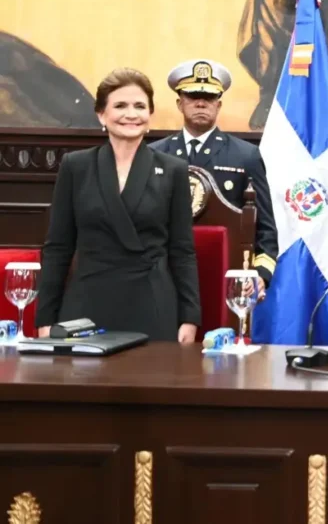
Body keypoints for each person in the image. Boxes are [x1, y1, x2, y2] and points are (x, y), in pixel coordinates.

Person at [35, 69, 201, 342]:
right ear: (101, 114)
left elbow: (182, 251)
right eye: (120, 105)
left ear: (150, 114)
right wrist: (45, 318)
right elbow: (58, 247)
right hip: (86, 303)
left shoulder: (174, 170)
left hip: (151, 303)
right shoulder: (76, 166)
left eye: (140, 106)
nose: (131, 114)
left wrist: (190, 318)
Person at [150, 59, 278, 296]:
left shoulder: (246, 155)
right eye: (193, 96)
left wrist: (260, 274)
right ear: (179, 103)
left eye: (208, 97)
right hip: (164, 275)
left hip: (225, 274)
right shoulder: (154, 155)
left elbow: (265, 227)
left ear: (218, 105)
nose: (201, 103)